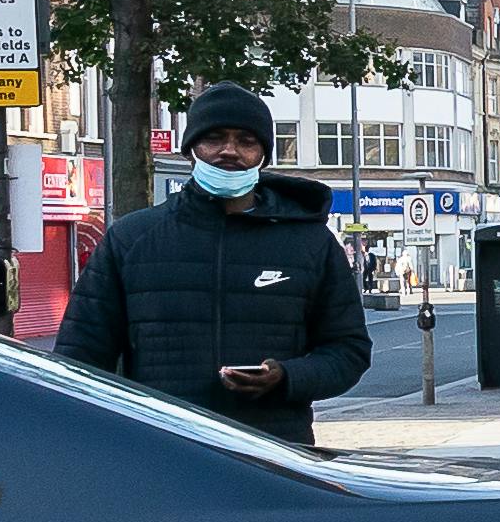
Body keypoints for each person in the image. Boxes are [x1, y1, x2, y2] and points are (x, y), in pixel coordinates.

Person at [55, 85, 371, 443]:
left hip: (275, 454)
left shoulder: (310, 242)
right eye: (214, 138)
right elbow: (79, 358)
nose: (229, 151)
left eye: (246, 141)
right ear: (191, 149)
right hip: (162, 450)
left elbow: (349, 351)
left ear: (263, 155)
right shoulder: (131, 238)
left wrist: (287, 377)